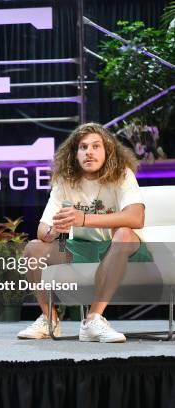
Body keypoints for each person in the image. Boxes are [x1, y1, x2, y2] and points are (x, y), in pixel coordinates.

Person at [17, 122, 148, 343]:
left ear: (108, 151)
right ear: (74, 154)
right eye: (83, 147)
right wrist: (54, 230)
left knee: (124, 232)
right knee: (33, 248)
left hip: (120, 246)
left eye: (96, 146)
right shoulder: (65, 181)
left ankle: (93, 319)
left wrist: (83, 219)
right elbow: (42, 230)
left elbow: (137, 217)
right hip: (80, 247)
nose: (89, 151)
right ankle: (50, 319)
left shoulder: (122, 174)